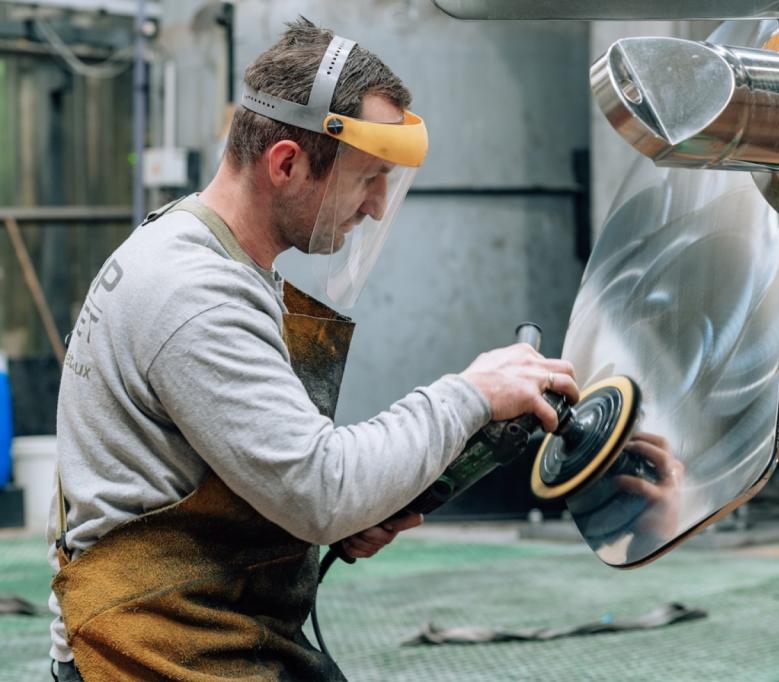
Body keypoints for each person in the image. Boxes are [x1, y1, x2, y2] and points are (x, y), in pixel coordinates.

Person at [48, 17, 578, 681]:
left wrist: (355, 509)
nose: (379, 207)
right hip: (150, 656)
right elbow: (322, 489)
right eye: (368, 179)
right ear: (287, 164)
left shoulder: (212, 257)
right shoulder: (195, 292)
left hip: (199, 628)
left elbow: (266, 473)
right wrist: (468, 395)